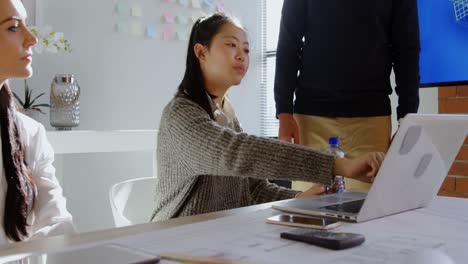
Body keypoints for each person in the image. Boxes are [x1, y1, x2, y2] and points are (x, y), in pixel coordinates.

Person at [150, 14, 385, 222]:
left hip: (221, 239)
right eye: (232, 45)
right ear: (201, 52)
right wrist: (339, 165)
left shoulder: (227, 115)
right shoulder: (180, 115)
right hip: (176, 238)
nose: (241, 55)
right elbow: (237, 153)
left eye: (246, 49)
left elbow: (254, 190)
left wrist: (300, 197)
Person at [274, 0, 420, 191]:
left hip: (370, 122)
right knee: (307, 213)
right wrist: (284, 111)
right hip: (311, 120)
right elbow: (288, 42)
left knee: (367, 213)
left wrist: (407, 118)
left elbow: (407, 50)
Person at [0, 0, 75, 244]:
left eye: (26, 25)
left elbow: (57, 222)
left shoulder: (30, 132)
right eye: (13, 27)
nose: (31, 38)